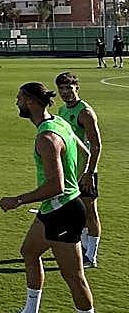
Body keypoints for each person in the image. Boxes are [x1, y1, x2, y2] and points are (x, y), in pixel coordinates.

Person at [0, 82, 102, 313]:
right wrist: (82, 175)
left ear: (31, 102)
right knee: (29, 252)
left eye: (19, 98)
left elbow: (54, 186)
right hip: (53, 209)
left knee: (74, 276)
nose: (16, 102)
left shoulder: (46, 138)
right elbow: (85, 151)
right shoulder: (59, 123)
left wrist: (17, 200)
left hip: (63, 212)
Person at [55, 72, 104, 268]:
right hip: (71, 171)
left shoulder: (85, 112)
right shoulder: (62, 110)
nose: (65, 92)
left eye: (69, 88)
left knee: (90, 213)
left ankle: (91, 255)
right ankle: (83, 247)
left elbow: (96, 145)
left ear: (77, 88)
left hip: (85, 172)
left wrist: (89, 173)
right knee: (78, 212)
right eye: (62, 89)